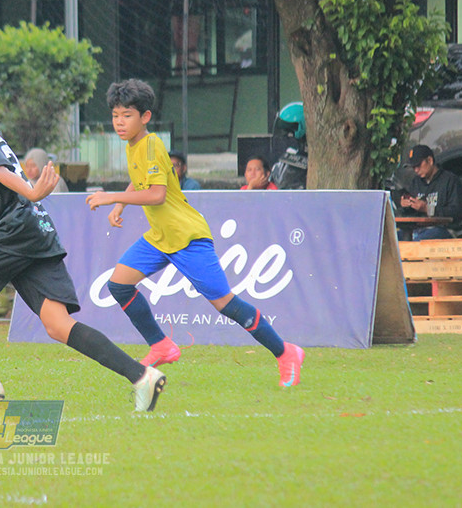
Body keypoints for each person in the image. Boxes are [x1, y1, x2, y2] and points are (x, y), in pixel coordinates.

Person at [0, 79, 167, 411]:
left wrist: (31, 190)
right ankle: (142, 376)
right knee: (57, 325)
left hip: (17, 227)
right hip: (37, 229)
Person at [85, 78, 304, 386]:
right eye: (115, 115)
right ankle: (161, 345)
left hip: (187, 237)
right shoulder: (134, 145)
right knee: (119, 285)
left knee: (225, 304)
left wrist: (112, 197)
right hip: (161, 236)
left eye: (127, 115)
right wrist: (121, 204)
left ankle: (286, 353)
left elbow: (157, 194)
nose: (119, 122)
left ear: (145, 117)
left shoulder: (151, 145)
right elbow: (142, 181)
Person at [400, 145, 462, 240]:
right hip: (417, 229)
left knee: (417, 242)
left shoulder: (450, 180)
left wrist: (428, 209)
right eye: (413, 167)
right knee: (390, 239)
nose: (416, 170)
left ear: (430, 161)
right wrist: (406, 205)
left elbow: (457, 211)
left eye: (418, 165)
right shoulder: (415, 182)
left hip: (444, 229)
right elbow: (411, 214)